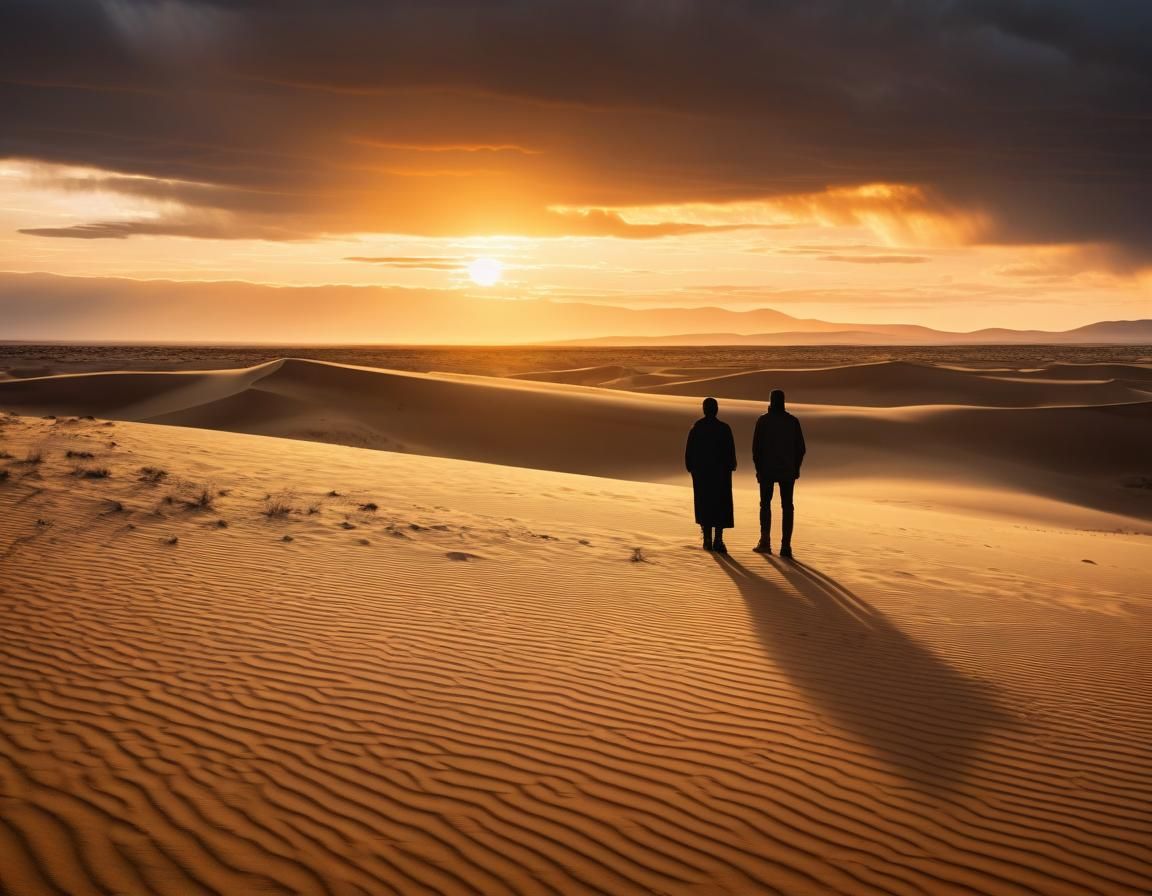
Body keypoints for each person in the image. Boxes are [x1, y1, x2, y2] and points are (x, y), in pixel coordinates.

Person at [752, 389, 806, 558]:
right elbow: (801, 449)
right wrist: (796, 468)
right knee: (787, 506)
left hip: (767, 470)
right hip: (787, 471)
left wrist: (759, 469)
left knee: (765, 504)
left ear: (771, 401)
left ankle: (765, 542)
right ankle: (785, 546)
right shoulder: (792, 422)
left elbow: (756, 449)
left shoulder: (763, 421)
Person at [684, 397, 736, 553]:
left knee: (704, 503)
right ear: (716, 410)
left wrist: (691, 468)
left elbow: (689, 453)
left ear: (704, 409)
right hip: (720, 474)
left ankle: (708, 539)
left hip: (703, 474)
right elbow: (731, 454)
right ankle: (718, 539)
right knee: (720, 504)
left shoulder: (697, 427)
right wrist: (730, 466)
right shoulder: (724, 428)